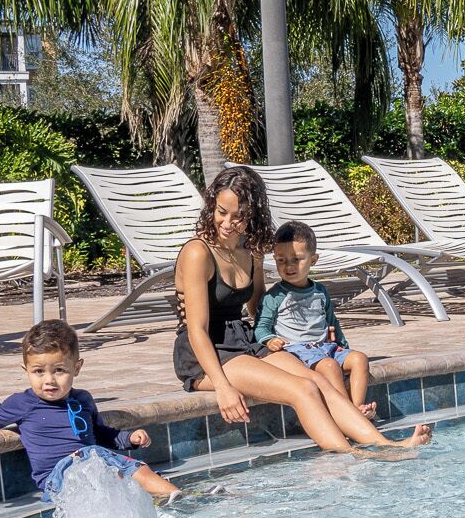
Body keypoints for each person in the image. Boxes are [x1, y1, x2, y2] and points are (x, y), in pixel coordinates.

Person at [173, 167, 430, 457]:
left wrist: (294, 340)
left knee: (317, 379)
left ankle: (386, 444)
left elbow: (258, 307)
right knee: (301, 389)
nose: (228, 223)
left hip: (244, 340)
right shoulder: (198, 253)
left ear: (253, 215)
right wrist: (222, 387)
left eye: (238, 216)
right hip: (207, 351)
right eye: (221, 212)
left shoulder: (252, 251)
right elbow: (196, 329)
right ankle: (355, 454)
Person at [0, 319, 181, 503]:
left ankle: (175, 496)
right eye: (38, 372)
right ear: (26, 370)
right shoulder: (23, 403)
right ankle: (147, 496)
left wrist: (129, 439)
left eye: (59, 370)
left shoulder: (83, 399)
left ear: (77, 367)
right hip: (59, 479)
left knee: (133, 466)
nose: (49, 380)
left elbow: (102, 434)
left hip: (94, 463)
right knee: (99, 463)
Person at [255, 221, 375, 417]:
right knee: (330, 366)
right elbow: (260, 327)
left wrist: (343, 347)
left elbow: (331, 322)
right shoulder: (274, 296)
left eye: (297, 259)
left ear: (314, 259)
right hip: (297, 351)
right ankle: (346, 415)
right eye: (281, 260)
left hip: (325, 348)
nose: (289, 266)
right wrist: (269, 339)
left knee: (359, 359)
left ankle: (356, 408)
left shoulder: (320, 292)